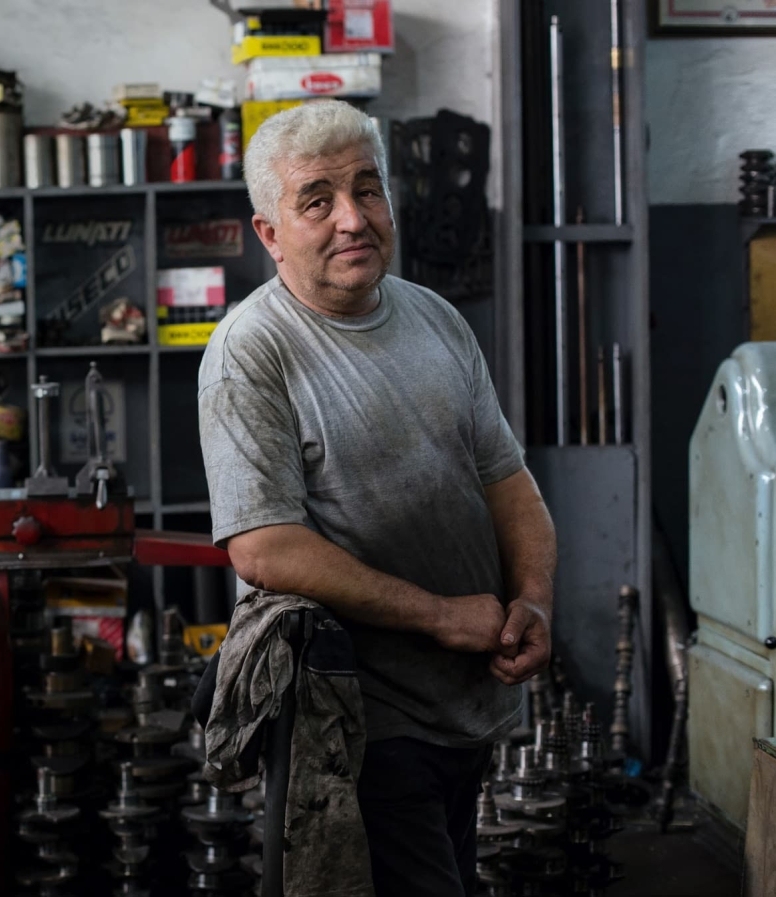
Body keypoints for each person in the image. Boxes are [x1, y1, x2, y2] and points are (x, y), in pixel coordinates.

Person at [197, 100, 557, 897]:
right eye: (317, 199)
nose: (353, 218)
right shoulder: (251, 352)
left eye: (369, 188)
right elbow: (264, 546)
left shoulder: (436, 319)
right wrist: (439, 614)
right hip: (357, 721)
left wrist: (533, 595)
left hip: (465, 701)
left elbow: (508, 479)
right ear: (270, 234)